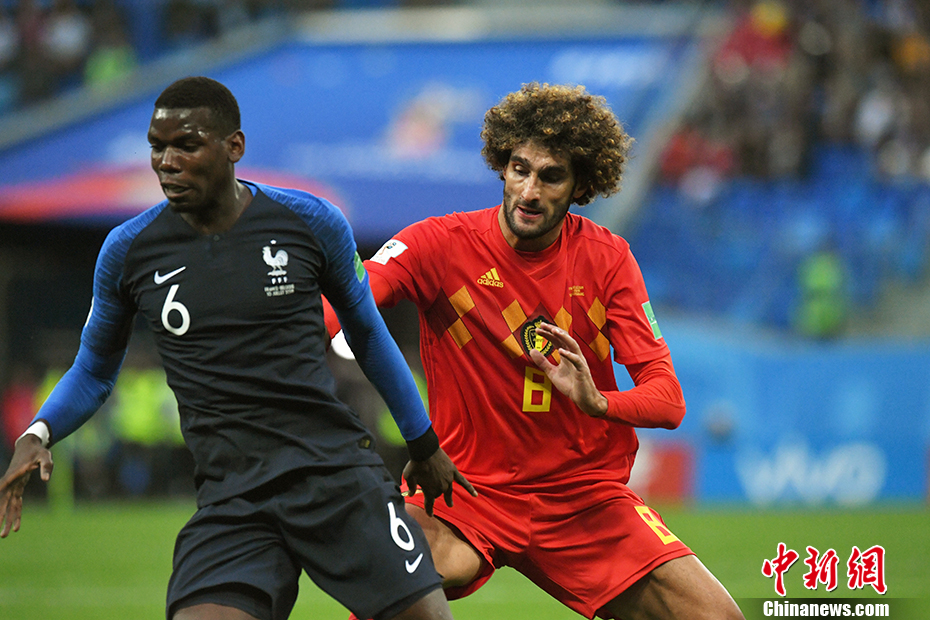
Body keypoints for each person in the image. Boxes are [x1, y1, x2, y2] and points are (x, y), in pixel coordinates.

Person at [0, 76, 475, 620]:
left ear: (234, 146)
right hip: (233, 499)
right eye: (157, 147)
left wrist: (423, 443)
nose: (167, 163)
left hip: (336, 478)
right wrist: (38, 433)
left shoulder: (310, 221)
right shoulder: (128, 251)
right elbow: (94, 370)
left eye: (186, 145)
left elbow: (366, 333)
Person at [326, 83, 745, 620]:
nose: (528, 191)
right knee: (386, 593)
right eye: (519, 169)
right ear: (502, 165)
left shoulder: (609, 259)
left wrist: (599, 402)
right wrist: (281, 335)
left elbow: (668, 400)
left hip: (583, 500)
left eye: (551, 176)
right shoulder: (437, 244)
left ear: (581, 185)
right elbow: (351, 298)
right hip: (464, 493)